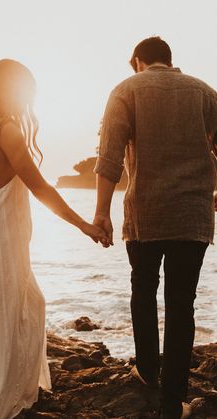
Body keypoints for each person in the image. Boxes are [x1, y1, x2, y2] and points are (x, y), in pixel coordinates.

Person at [93, 36, 217, 419]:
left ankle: (148, 370)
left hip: (145, 214)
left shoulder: (126, 89)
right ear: (169, 60)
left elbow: (110, 155)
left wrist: (101, 213)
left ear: (137, 61)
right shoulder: (205, 92)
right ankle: (172, 402)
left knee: (143, 290)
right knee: (182, 305)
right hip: (192, 216)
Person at [0, 59, 108, 419]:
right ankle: (4, 397)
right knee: (11, 309)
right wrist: (85, 225)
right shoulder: (5, 130)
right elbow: (41, 189)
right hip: (0, 238)